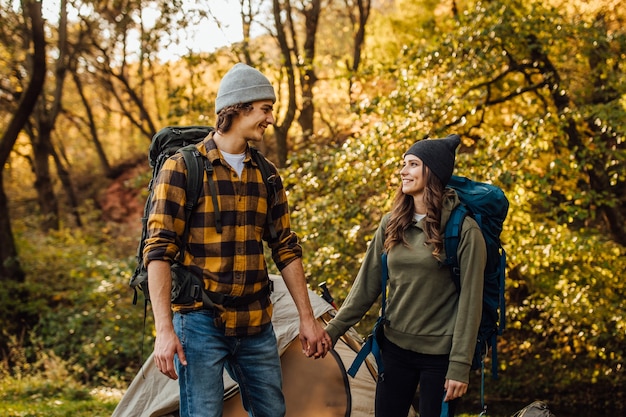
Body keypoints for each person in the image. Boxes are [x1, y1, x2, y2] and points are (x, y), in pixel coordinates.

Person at [144, 63, 331, 417]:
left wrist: (308, 319)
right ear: (239, 108)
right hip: (200, 324)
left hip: (256, 322)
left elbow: (286, 249)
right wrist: (164, 330)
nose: (270, 119)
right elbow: (157, 252)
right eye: (265, 109)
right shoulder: (183, 169)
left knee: (272, 412)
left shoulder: (267, 175)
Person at [323, 134, 487, 417]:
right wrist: (331, 332)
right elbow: (365, 287)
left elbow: (471, 304)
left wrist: (460, 366)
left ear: (432, 172)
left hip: (441, 356)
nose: (403, 171)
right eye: (403, 164)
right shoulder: (391, 223)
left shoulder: (464, 231)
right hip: (395, 349)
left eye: (412, 164)